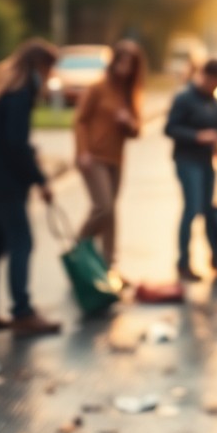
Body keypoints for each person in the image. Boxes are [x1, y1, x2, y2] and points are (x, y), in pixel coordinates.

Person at [0, 39, 62, 336]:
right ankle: (22, 312)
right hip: (5, 180)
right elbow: (15, 145)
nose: (49, 78)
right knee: (22, 242)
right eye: (49, 70)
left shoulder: (0, 88)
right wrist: (40, 180)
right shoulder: (20, 94)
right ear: (39, 66)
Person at [73, 40, 145, 280]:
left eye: (130, 64)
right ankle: (78, 248)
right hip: (93, 157)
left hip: (116, 159)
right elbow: (80, 121)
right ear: (113, 61)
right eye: (122, 61)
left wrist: (128, 122)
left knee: (112, 212)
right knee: (103, 207)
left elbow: (137, 132)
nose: (125, 68)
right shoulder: (97, 88)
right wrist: (82, 151)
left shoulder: (129, 94)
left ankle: (108, 265)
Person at [164, 58, 217, 282]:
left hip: (206, 161)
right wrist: (197, 136)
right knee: (192, 209)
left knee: (210, 209)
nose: (216, 86)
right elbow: (170, 128)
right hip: (186, 159)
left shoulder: (216, 101)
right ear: (205, 77)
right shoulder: (185, 98)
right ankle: (184, 262)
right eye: (214, 81)